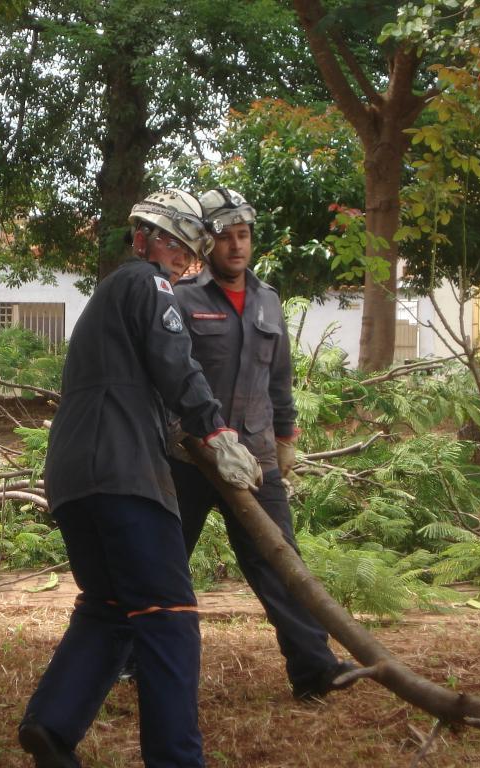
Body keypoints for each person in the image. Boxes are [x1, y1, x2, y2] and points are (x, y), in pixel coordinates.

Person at [18, 189, 262, 768]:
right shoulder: (146, 284)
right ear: (145, 240)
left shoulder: (104, 301)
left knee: (107, 605)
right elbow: (175, 358)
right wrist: (216, 430)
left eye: (187, 251)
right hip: (124, 474)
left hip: (74, 479)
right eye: (175, 245)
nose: (180, 260)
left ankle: (51, 726)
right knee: (168, 613)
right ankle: (177, 760)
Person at [168, 187, 356, 701]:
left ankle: (316, 670)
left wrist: (285, 438)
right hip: (189, 457)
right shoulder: (180, 299)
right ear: (207, 244)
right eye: (225, 237)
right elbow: (168, 377)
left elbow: (280, 381)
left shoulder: (268, 300)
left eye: (243, 236)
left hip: (255, 460)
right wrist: (177, 438)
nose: (235, 246)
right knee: (161, 562)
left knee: (280, 563)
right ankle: (131, 661)